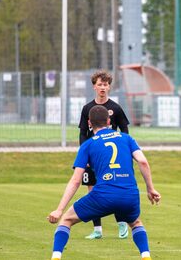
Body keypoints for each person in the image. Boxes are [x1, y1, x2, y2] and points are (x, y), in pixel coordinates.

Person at [48, 105, 161, 260]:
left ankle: (56, 257)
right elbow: (143, 162)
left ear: (89, 123)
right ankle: (146, 256)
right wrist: (150, 189)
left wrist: (59, 209)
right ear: (109, 121)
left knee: (66, 220)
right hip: (129, 195)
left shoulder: (87, 145)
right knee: (135, 223)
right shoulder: (127, 138)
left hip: (103, 196)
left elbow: (76, 180)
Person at [78, 70, 130, 239]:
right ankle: (97, 230)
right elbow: (83, 133)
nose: (102, 87)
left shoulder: (115, 108)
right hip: (93, 157)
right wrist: (84, 155)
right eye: (99, 84)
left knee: (115, 190)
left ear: (109, 87)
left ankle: (122, 224)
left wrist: (126, 151)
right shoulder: (87, 108)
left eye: (105, 84)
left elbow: (125, 131)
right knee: (93, 192)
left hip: (110, 159)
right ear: (94, 86)